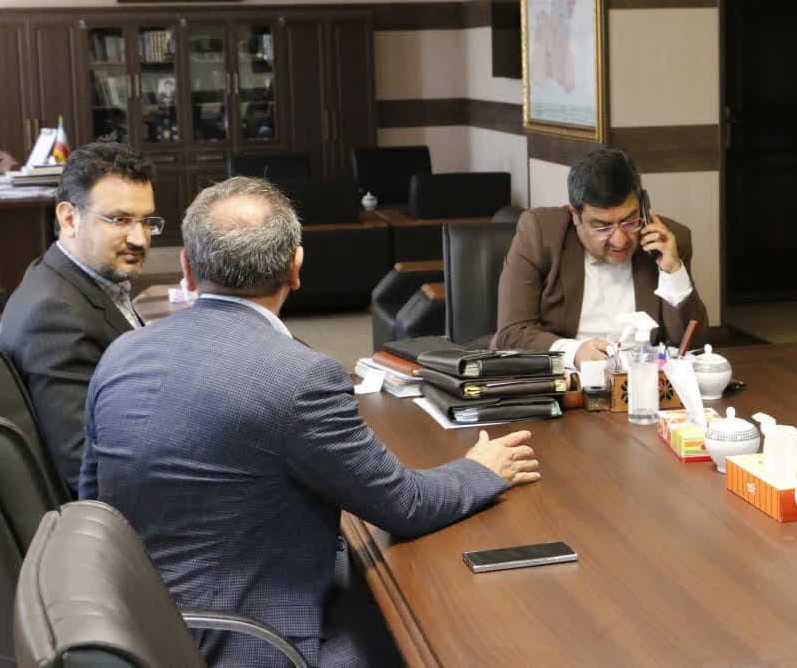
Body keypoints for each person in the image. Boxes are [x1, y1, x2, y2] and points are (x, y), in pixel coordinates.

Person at [78, 177, 539, 667]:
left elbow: (92, 504)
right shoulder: (299, 377)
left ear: (187, 268)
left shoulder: (121, 354)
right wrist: (481, 468)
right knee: (440, 630)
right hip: (248, 643)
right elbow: (406, 505)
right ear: (295, 268)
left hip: (137, 632)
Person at [0, 141, 158, 491]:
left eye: (147, 222)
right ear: (69, 218)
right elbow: (87, 469)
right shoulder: (55, 316)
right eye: (120, 220)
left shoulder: (64, 276)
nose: (140, 239)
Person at [492, 148, 709, 367]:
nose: (620, 241)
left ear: (644, 207)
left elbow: (693, 346)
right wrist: (573, 353)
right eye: (602, 227)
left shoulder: (667, 240)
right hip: (567, 377)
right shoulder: (541, 233)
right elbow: (511, 334)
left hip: (642, 377)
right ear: (575, 216)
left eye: (629, 221)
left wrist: (673, 272)